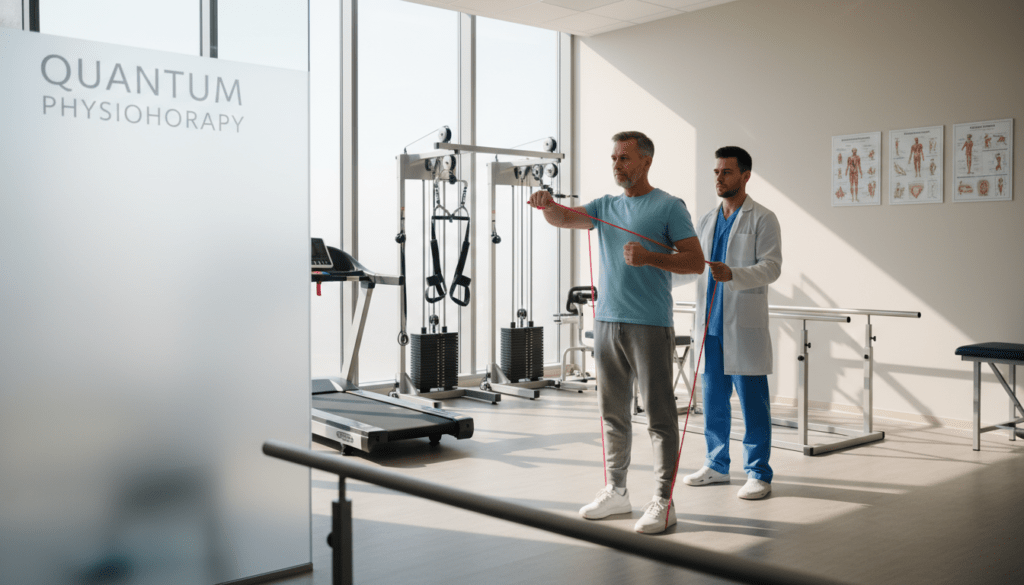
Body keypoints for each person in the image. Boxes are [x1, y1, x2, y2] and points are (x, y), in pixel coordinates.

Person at [528, 131, 705, 534]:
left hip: (650, 323)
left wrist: (650, 258)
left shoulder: (669, 206)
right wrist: (547, 205)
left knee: (659, 416)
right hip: (607, 321)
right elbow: (564, 218)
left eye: (624, 158)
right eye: (613, 158)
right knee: (612, 414)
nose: (617, 165)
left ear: (646, 161)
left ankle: (664, 500)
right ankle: (617, 491)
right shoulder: (605, 206)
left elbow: (695, 262)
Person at [682, 146, 782, 501]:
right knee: (713, 402)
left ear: (745, 176)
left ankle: (758, 472)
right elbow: (693, 265)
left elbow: (772, 267)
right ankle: (716, 464)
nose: (719, 178)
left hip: (743, 325)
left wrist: (734, 274)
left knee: (753, 403)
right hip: (710, 326)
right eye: (716, 172)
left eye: (726, 172)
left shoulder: (763, 218)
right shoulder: (707, 220)